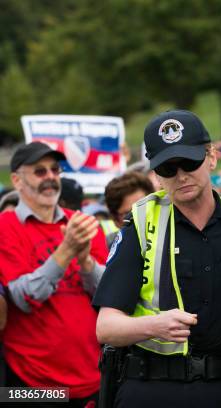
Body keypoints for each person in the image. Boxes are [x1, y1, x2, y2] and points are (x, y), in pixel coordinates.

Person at [93, 110, 221, 408]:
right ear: (155, 176)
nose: (181, 175)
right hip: (153, 390)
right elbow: (106, 328)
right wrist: (154, 326)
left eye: (189, 162)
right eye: (167, 168)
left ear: (211, 157)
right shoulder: (141, 222)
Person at [0, 141, 107, 406]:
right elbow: (24, 297)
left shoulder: (83, 223)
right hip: (32, 382)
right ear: (17, 180)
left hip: (92, 377)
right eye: (39, 171)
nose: (50, 178)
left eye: (54, 170)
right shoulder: (5, 227)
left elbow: (108, 295)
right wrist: (67, 250)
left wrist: (85, 261)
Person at [103, 171, 154, 246]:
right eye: (130, 214)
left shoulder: (172, 237)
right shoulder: (108, 248)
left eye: (144, 208)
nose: (140, 217)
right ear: (115, 220)